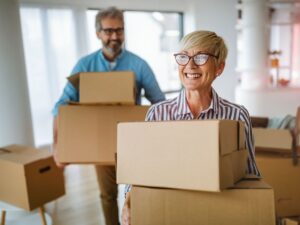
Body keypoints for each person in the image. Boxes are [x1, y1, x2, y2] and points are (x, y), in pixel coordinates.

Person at [121, 30, 261, 225]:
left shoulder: (237, 116)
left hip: (218, 213)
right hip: (168, 212)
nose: (190, 65)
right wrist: (129, 201)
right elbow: (141, 171)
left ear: (219, 67)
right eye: (183, 57)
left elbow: (250, 173)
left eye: (201, 57)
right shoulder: (158, 114)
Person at [52, 6, 165, 225]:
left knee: (140, 194)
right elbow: (61, 106)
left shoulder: (138, 65)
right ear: (98, 33)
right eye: (108, 31)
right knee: (107, 195)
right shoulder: (85, 65)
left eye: (119, 31)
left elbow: (159, 103)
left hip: (133, 142)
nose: (114, 36)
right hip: (101, 141)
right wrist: (57, 146)